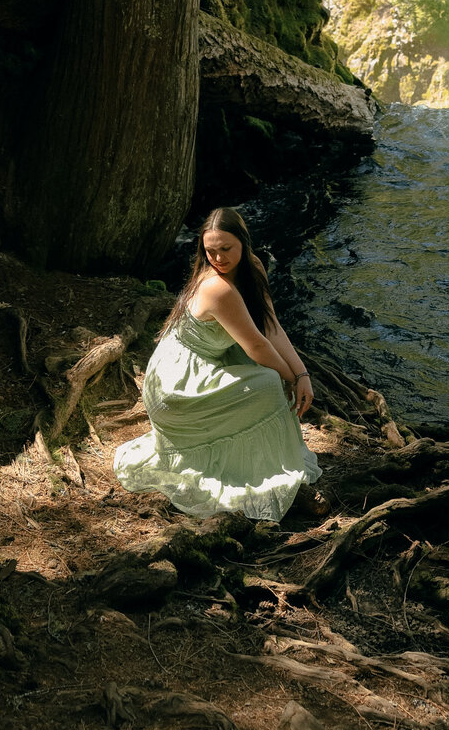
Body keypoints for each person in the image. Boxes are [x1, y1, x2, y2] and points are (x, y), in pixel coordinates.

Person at [113, 206, 320, 522]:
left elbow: (270, 325)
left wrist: (301, 373)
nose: (219, 258)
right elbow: (256, 345)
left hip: (208, 360)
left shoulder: (253, 268)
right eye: (211, 251)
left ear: (244, 243)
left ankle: (254, 459)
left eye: (226, 249)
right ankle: (250, 469)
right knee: (268, 383)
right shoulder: (217, 287)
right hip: (177, 380)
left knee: (270, 376)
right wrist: (288, 378)